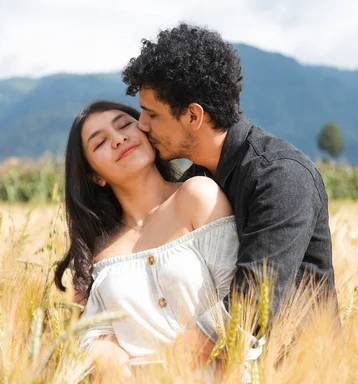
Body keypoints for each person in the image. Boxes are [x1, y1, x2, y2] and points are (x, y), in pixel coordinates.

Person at [121, 23, 340, 329]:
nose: (141, 125)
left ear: (194, 116)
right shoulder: (194, 182)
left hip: (296, 371)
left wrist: (170, 361)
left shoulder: (279, 176)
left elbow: (251, 308)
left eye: (152, 114)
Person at [54, 100, 262, 378]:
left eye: (125, 125)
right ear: (94, 175)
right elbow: (94, 340)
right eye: (100, 142)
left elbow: (239, 305)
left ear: (146, 132)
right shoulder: (99, 253)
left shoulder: (197, 196)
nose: (118, 139)